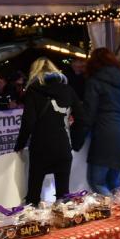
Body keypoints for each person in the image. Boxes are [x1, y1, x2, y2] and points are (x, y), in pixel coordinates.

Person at [14, 58, 83, 205]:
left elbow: (28, 123)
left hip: (40, 148)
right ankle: (64, 217)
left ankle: (35, 218)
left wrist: (19, 145)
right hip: (63, 146)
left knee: (33, 197)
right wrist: (75, 142)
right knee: (63, 198)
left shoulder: (33, 91)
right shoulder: (68, 90)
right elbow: (82, 118)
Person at [73, 48, 120, 195]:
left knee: (97, 182)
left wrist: (76, 140)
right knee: (115, 183)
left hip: (105, 135)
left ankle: (112, 208)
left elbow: (88, 115)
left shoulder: (94, 82)